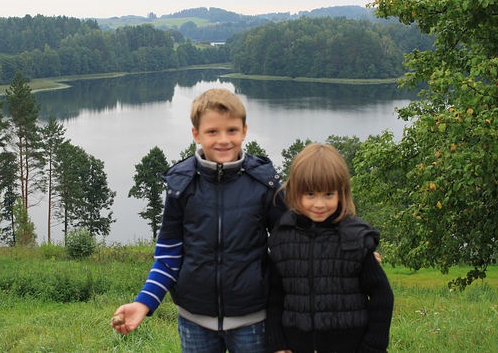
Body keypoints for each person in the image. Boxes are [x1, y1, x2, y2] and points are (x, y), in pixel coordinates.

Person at [111, 88, 283, 352]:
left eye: (232, 130)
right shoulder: (182, 185)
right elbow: (168, 256)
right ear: (196, 134)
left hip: (253, 319)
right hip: (195, 321)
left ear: (244, 131)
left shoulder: (264, 183)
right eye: (212, 132)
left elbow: (291, 246)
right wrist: (143, 303)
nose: (223, 140)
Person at [266, 142, 394, 353]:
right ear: (296, 192)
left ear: (341, 193)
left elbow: (382, 296)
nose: (319, 204)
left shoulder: (355, 238)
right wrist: (278, 343)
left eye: (328, 195)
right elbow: (275, 297)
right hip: (297, 345)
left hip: (351, 345)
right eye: (310, 194)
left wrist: (373, 346)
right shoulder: (283, 237)